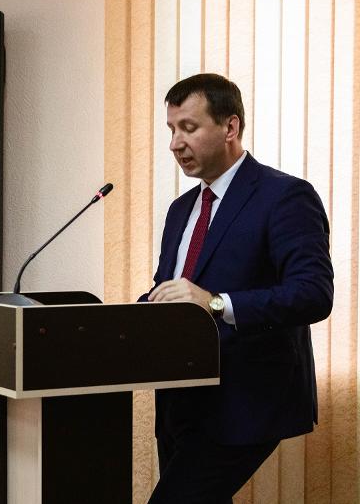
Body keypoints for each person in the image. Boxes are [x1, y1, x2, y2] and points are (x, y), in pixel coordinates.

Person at [142, 73, 333, 503]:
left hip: (246, 400)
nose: (175, 143)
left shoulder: (285, 196)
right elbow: (169, 288)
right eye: (171, 129)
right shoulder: (181, 209)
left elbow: (313, 293)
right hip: (179, 400)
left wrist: (215, 303)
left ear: (230, 127)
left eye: (188, 127)